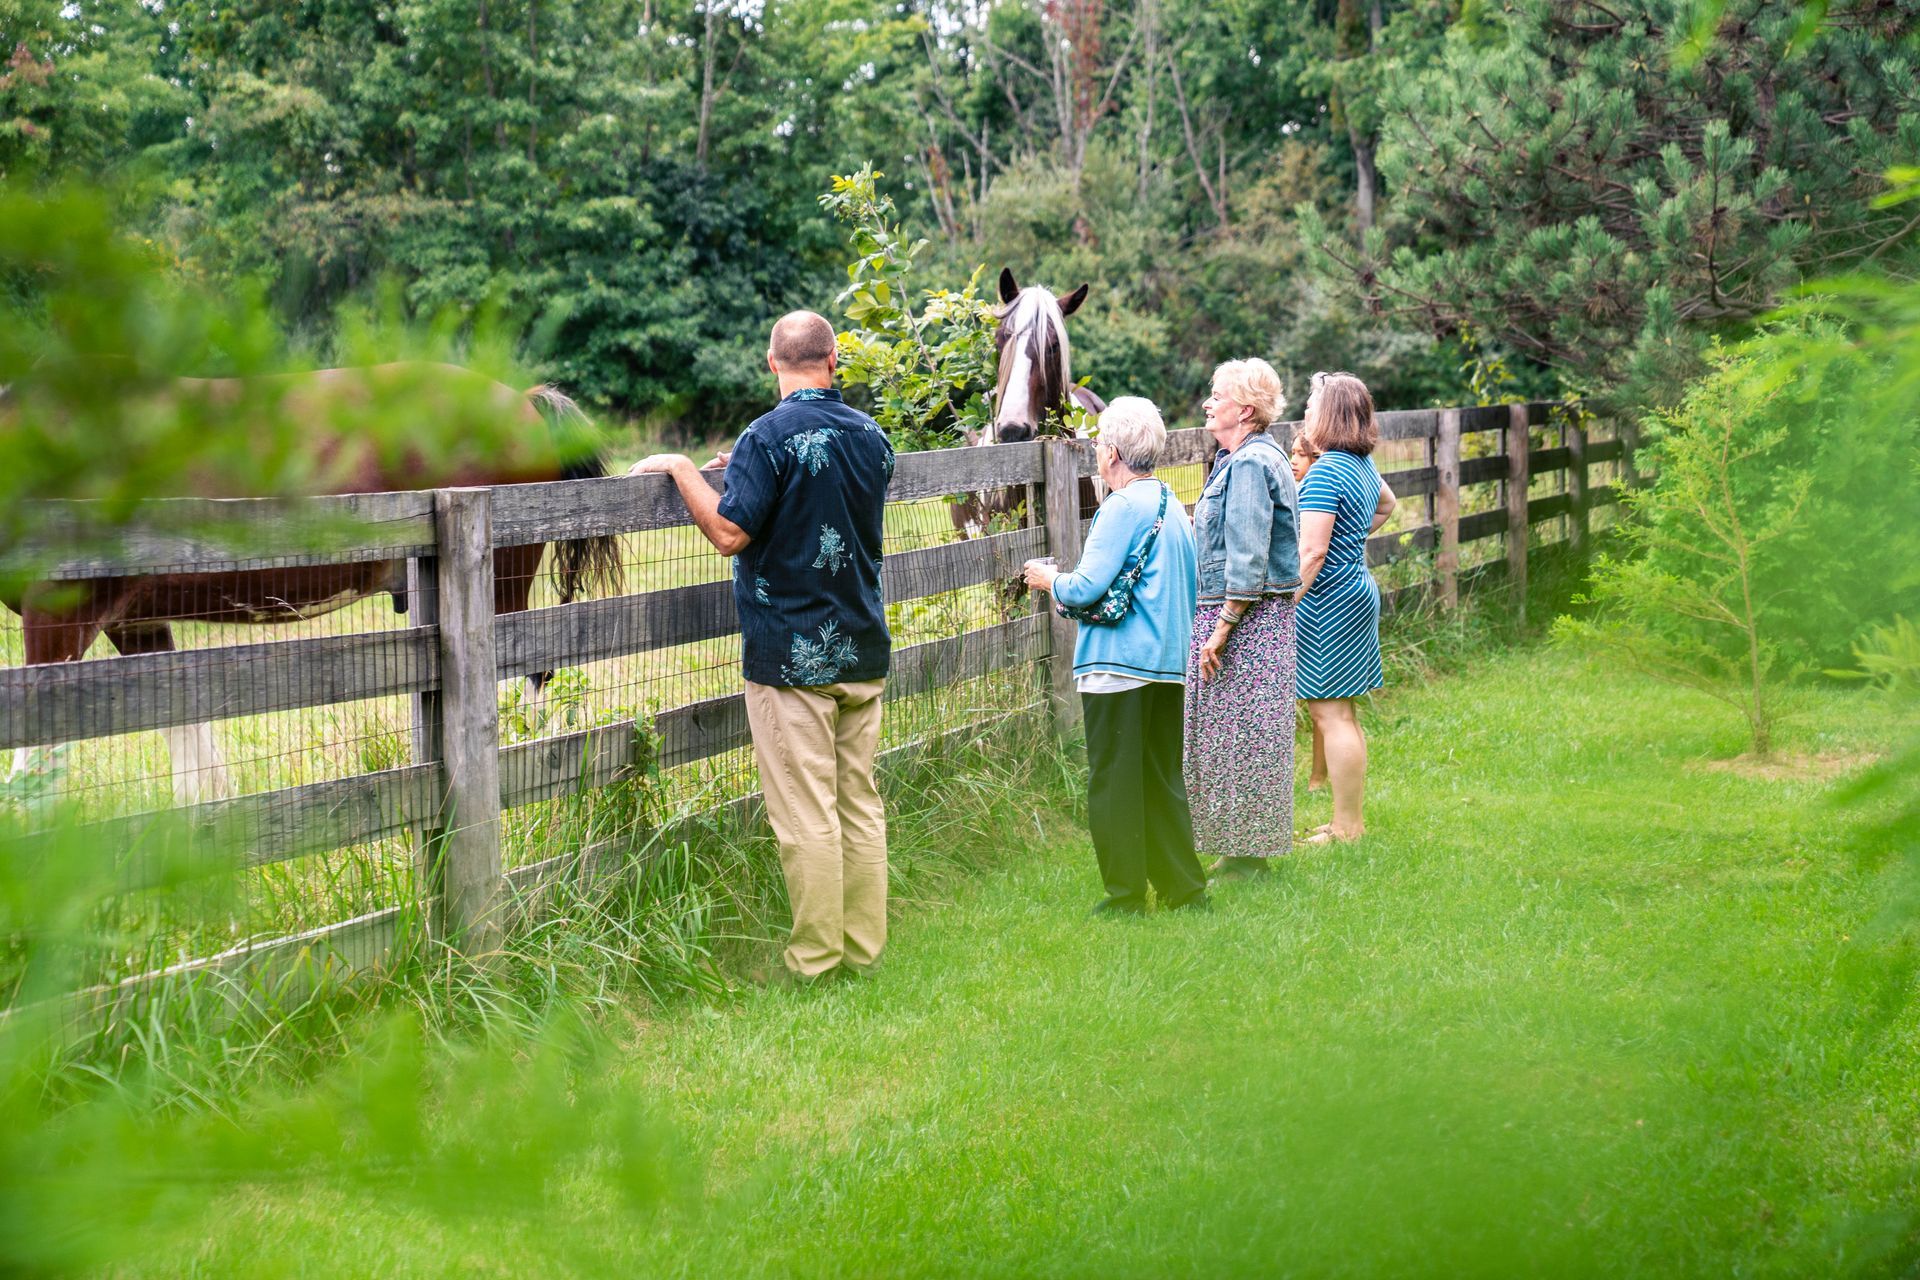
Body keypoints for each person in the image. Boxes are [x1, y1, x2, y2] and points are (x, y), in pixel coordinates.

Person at [630, 311, 895, 984]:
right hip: (862, 648)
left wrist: (683, 467)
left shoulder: (764, 438)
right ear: (834, 360)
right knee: (858, 804)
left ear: (772, 363)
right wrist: (741, 472)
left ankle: (815, 961)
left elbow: (729, 534)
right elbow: (818, 494)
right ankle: (862, 952)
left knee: (807, 815)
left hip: (792, 660)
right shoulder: (873, 437)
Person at [1024, 397, 1206, 915]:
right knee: (1161, 780)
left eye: (1100, 444)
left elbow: (1084, 588)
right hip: (1169, 664)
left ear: (1112, 453)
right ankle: (1183, 889)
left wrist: (1047, 579)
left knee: (1114, 783)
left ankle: (1125, 896)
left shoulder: (1120, 507)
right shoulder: (1172, 504)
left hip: (1119, 666)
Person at [1185, 358, 1302, 883]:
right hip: (1243, 616)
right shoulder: (1242, 459)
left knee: (1243, 735)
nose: (1208, 404)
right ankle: (1238, 850)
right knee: (1231, 735)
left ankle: (1247, 857)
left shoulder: (1252, 464)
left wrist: (1223, 627)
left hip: (1244, 621)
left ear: (1245, 410)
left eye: (1217, 396)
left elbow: (1249, 555)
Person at [1294, 371, 1396, 845]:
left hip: (1326, 599)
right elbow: (1387, 505)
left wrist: (1279, 604)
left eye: (1312, 406)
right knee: (1342, 713)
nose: (1306, 414)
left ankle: (1346, 829)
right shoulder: (1361, 466)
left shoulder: (1326, 471)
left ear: (1329, 414)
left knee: (1330, 715)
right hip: (1355, 588)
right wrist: (1351, 541)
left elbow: (1311, 554)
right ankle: (1346, 822)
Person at [1289, 432, 1329, 794]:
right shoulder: (1299, 491)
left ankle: (1319, 775)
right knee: (1322, 695)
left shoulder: (1314, 490)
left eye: (1301, 454)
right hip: (1307, 597)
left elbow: (1313, 550)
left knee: (1321, 695)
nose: (1294, 460)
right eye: (1292, 453)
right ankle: (1319, 773)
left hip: (1310, 599)